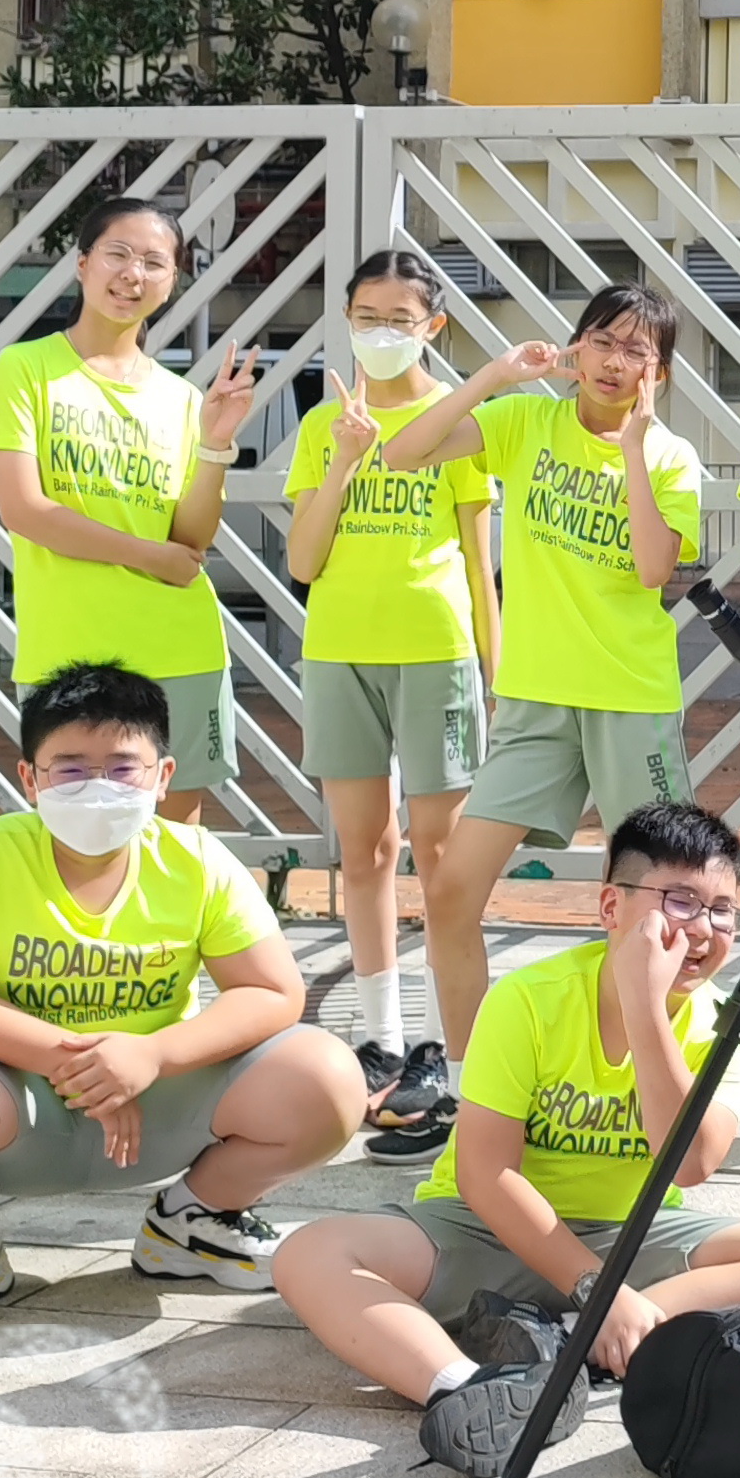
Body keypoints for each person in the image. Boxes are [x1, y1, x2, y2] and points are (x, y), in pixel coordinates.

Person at [269, 801, 740, 1478]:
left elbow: (690, 1165)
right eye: (680, 901)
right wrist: (592, 1284)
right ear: (611, 906)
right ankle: (467, 1387)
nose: (702, 929)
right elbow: (486, 1176)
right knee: (309, 1253)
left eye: (723, 911)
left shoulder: (722, 1020)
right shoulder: (527, 999)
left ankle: (575, 1340)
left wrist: (646, 1009)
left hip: (629, 1235)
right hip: (487, 1228)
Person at [0, 663, 364, 1338]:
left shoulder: (198, 860)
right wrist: (84, 1062)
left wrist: (151, 1056)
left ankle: (195, 1220)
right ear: (29, 778)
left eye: (122, 768)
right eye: (69, 768)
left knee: (325, 1074)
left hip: (157, 1111)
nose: (97, 787)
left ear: (163, 775)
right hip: (17, 1110)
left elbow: (272, 991)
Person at [375, 285, 706, 1138]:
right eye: (602, 341)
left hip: (630, 699)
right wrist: (493, 375)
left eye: (636, 351)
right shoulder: (525, 421)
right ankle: (471, 1090)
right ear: (574, 348)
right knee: (451, 890)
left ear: (660, 373)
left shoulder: (671, 457)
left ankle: (648, 1092)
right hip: (534, 701)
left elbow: (652, 569)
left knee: (656, 902)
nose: (614, 362)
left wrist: (635, 450)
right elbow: (402, 453)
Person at [283, 246, 498, 1148]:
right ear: (347, 321)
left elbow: (480, 562)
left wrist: (495, 669)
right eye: (366, 317)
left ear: (431, 326)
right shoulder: (322, 426)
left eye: (398, 319)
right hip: (340, 653)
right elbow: (303, 562)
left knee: (442, 857)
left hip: (435, 652)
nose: (381, 333)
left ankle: (449, 1052)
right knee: (365, 850)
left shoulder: (455, 426)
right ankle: (381, 1036)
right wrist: (343, 460)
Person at [0, 197, 261, 822]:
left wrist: (215, 443)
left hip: (179, 649)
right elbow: (26, 511)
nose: (133, 274)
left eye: (154, 262)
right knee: (76, 834)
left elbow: (190, 538)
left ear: (171, 281)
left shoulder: (182, 398)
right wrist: (147, 556)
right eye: (118, 254)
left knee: (172, 846)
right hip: (68, 651)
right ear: (83, 264)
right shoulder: (27, 370)